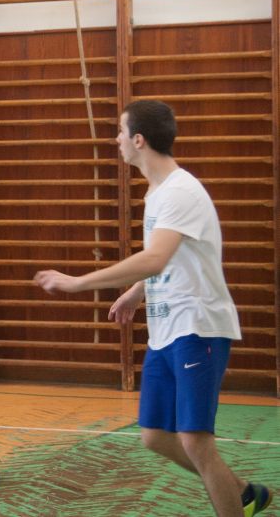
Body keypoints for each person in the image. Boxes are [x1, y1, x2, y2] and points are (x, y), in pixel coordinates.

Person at [35, 100, 271, 517]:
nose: (116, 139)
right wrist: (136, 292)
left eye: (120, 131)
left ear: (139, 140)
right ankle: (244, 494)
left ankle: (237, 504)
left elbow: (156, 258)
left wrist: (78, 282)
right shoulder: (158, 192)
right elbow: (169, 256)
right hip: (166, 330)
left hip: (197, 326)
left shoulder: (180, 190)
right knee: (155, 435)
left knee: (195, 441)